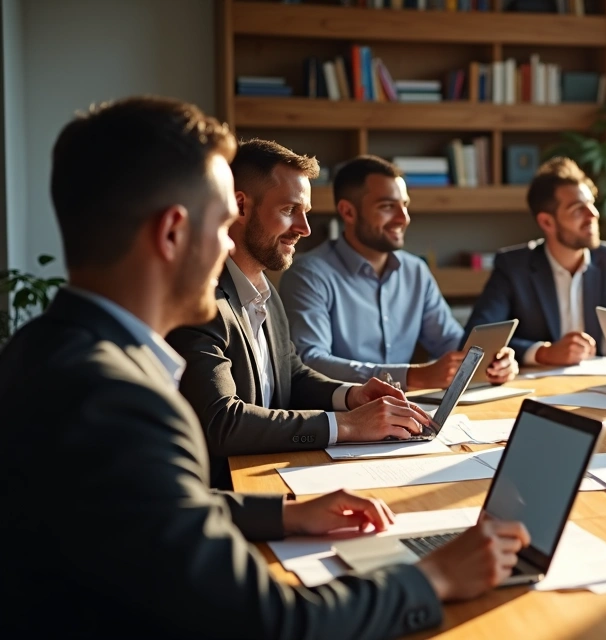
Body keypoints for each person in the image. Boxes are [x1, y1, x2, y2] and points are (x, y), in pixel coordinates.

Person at [1, 96, 529, 637]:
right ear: (173, 233)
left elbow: (156, 504)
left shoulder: (44, 352)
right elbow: (273, 623)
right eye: (221, 222)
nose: (227, 245)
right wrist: (433, 577)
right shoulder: (117, 402)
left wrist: (284, 514)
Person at [167, 140, 434, 488]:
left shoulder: (265, 291)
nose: (304, 228)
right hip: (228, 493)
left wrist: (350, 396)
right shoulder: (201, 301)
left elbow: (290, 374)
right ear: (240, 206)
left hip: (272, 472)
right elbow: (223, 422)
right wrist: (347, 425)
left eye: (305, 211)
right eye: (290, 209)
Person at [279, 155, 518, 389]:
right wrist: (412, 376)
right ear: (348, 212)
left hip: (409, 407)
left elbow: (451, 343)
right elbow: (311, 362)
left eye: (404, 205)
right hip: (344, 410)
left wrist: (492, 361)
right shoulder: (308, 275)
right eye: (387, 206)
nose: (403, 218)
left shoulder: (416, 271)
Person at [464, 156, 606, 365]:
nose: (593, 214)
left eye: (591, 203)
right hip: (540, 387)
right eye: (577, 210)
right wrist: (544, 353)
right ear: (547, 222)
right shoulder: (514, 267)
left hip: (605, 388)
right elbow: (476, 340)